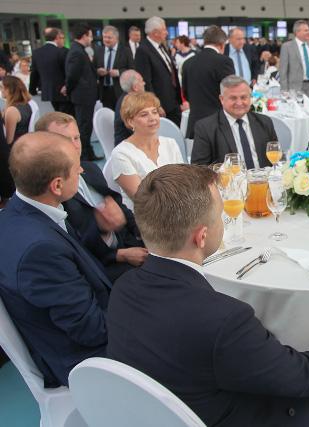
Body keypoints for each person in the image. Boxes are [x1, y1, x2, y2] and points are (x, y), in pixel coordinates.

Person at [107, 163, 309, 425]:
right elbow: (298, 378)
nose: (223, 222)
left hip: (147, 413)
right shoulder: (224, 320)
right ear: (201, 237)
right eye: (220, 216)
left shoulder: (122, 289)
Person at [0, 132, 112, 387]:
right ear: (57, 185)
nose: (82, 169)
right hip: (84, 360)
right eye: (76, 167)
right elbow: (92, 330)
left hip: (81, 320)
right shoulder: (39, 250)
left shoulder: (20, 212)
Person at [36, 112, 148, 281]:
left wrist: (145, 233)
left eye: (76, 138)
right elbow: (76, 246)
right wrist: (119, 254)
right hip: (103, 267)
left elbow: (120, 207)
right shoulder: (52, 191)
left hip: (130, 244)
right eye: (65, 140)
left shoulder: (90, 169)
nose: (74, 146)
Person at [111, 92, 184, 211]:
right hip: (146, 217)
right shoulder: (121, 154)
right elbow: (143, 200)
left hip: (177, 209)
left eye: (154, 112)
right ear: (130, 122)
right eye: (144, 114)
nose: (152, 118)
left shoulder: (170, 143)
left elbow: (183, 182)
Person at [192, 75, 277, 168]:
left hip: (263, 177)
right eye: (233, 98)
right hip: (227, 177)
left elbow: (276, 158)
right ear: (222, 99)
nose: (239, 103)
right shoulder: (206, 128)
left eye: (243, 97)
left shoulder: (265, 122)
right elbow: (199, 169)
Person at [182, 25, 235, 140]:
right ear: (222, 44)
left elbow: (185, 94)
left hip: (194, 124)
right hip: (218, 125)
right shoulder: (224, 61)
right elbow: (232, 93)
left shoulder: (188, 63)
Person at [135, 16, 183, 126]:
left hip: (173, 101)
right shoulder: (143, 50)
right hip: (161, 105)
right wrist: (155, 105)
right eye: (164, 30)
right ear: (155, 33)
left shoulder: (162, 46)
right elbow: (146, 82)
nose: (167, 33)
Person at [65, 22, 102, 161]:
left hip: (85, 95)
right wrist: (68, 89)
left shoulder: (79, 50)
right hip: (83, 96)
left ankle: (88, 153)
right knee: (84, 127)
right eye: (90, 36)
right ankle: (85, 156)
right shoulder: (77, 52)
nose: (91, 39)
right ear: (84, 36)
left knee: (86, 126)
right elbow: (72, 75)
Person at [29, 27, 73, 115]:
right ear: (57, 37)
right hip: (64, 92)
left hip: (48, 92)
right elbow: (68, 72)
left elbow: (34, 73)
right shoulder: (62, 52)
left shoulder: (37, 52)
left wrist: (32, 90)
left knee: (58, 115)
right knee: (67, 117)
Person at [94, 26, 134, 110]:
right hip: (104, 91)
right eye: (104, 37)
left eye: (109, 37)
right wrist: (97, 71)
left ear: (116, 38)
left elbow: (132, 70)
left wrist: (119, 72)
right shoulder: (98, 51)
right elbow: (93, 68)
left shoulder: (125, 51)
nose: (106, 40)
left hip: (120, 91)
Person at [113, 70, 145, 145]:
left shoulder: (126, 98)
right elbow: (139, 131)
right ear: (135, 87)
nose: (144, 83)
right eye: (142, 81)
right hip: (128, 147)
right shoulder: (130, 105)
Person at [2, 75, 32, 145]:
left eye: (2, 87)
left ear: (9, 90)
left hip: (15, 147)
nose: (1, 90)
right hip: (24, 143)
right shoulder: (27, 104)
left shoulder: (12, 110)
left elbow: (8, 140)